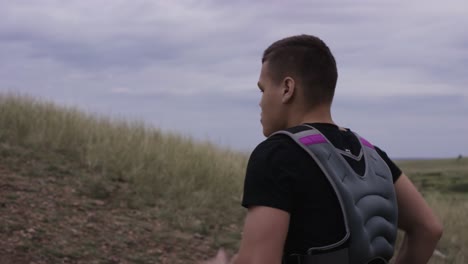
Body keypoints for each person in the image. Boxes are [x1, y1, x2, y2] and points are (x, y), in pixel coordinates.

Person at [205, 34, 443, 264]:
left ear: (287, 88)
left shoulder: (276, 154)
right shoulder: (373, 155)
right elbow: (429, 229)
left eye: (263, 89)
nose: (260, 101)